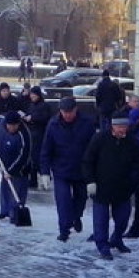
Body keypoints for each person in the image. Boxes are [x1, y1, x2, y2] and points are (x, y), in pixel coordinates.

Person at [83, 115, 139, 260]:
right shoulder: (100, 139)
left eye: (125, 127)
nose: (123, 130)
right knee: (101, 220)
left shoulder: (132, 141)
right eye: (120, 127)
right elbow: (87, 161)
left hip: (123, 188)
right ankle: (103, 246)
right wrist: (90, 181)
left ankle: (116, 238)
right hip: (101, 187)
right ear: (113, 126)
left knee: (123, 218)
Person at [40, 96, 96, 241]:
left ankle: (76, 217)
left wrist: (94, 171)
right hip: (61, 170)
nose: (67, 115)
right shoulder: (53, 124)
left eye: (70, 112)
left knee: (81, 198)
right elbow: (46, 149)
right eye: (64, 112)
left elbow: (94, 148)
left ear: (76, 109)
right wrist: (45, 172)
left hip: (81, 169)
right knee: (63, 200)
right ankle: (64, 230)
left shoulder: (87, 123)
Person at [0, 111, 31, 223]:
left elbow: (24, 155)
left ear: (18, 124)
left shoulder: (24, 134)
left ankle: (15, 214)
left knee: (18, 191)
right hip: (5, 164)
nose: (12, 128)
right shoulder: (1, 124)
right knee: (5, 188)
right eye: (10, 125)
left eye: (14, 125)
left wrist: (12, 171)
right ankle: (4, 211)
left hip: (20, 168)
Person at [0, 82, 21, 183]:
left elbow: (19, 111)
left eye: (7, 91)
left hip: (11, 130)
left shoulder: (14, 101)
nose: (5, 93)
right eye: (3, 91)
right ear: (0, 91)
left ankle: (9, 172)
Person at [23, 85, 53, 189]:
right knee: (32, 158)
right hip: (31, 134)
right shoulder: (31, 105)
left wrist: (33, 118)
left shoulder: (44, 106)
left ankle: (44, 177)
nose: (32, 96)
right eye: (31, 94)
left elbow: (46, 118)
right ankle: (33, 179)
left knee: (39, 157)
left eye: (34, 95)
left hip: (40, 135)